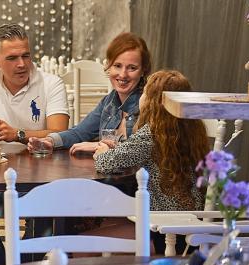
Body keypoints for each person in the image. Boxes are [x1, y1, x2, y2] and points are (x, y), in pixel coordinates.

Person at [0, 23, 70, 265]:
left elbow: (61, 132)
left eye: (26, 55)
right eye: (12, 58)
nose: (22, 64)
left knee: (43, 213)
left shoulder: (51, 83)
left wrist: (16, 134)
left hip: (41, 177)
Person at [89, 70, 210, 242]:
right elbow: (134, 152)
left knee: (88, 235)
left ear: (155, 102)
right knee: (109, 220)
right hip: (193, 224)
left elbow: (107, 163)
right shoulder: (192, 130)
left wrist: (102, 153)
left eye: (145, 91)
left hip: (163, 231)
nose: (141, 95)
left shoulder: (153, 133)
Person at [29, 32, 152, 155]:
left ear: (143, 71)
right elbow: (79, 132)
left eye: (132, 68)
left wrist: (99, 146)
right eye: (117, 66)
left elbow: (140, 152)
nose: (123, 74)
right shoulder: (109, 102)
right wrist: (50, 141)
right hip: (110, 173)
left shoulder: (150, 104)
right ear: (109, 66)